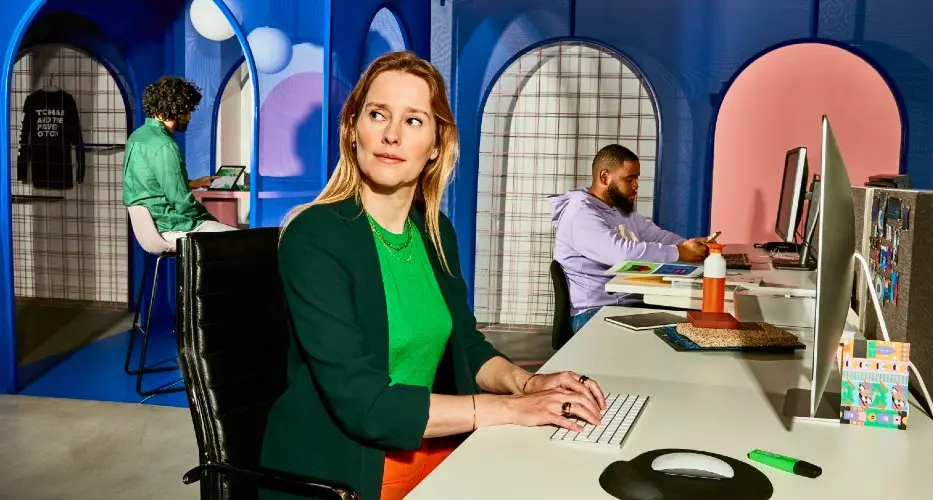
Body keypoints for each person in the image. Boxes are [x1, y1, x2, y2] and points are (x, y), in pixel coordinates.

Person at [259, 51, 607, 500]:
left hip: (426, 444)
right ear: (352, 129)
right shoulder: (314, 236)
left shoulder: (435, 231)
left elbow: (466, 346)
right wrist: (510, 409)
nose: (391, 134)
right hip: (346, 471)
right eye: (377, 114)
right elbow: (366, 404)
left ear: (437, 145)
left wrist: (528, 384)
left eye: (413, 121)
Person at [550, 144, 710, 332]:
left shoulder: (618, 210)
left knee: (697, 322)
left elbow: (657, 235)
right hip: (594, 312)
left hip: (628, 305)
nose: (636, 186)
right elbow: (622, 255)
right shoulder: (580, 214)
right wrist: (678, 252)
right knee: (685, 331)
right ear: (604, 177)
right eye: (629, 179)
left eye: (636, 179)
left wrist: (686, 245)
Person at [122, 76, 235, 246]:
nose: (189, 117)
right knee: (243, 242)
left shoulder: (137, 137)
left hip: (150, 229)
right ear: (175, 108)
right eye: (188, 110)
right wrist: (210, 220)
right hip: (172, 225)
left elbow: (149, 185)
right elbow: (182, 202)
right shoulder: (165, 145)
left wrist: (192, 183)